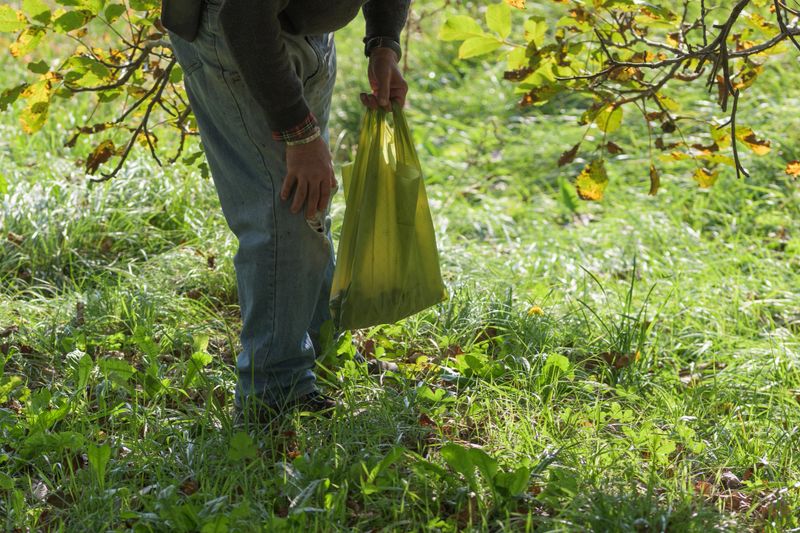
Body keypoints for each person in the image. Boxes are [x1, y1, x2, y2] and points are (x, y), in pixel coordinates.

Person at [160, 0, 410, 422]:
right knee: (285, 214)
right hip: (239, 34)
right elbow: (243, 18)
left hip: (302, 27)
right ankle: (273, 391)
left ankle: (316, 348)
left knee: (312, 202)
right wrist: (299, 132)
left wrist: (384, 43)